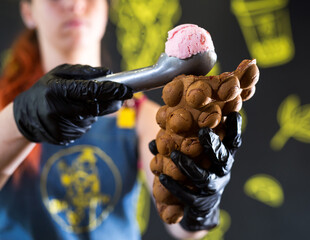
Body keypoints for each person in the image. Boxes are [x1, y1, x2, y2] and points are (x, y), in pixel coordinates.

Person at [0, 0, 242, 239]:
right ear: (27, 11)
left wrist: (200, 204)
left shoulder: (141, 117)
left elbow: (182, 225)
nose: (74, 4)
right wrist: (19, 119)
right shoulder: (5, 110)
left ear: (106, 9)